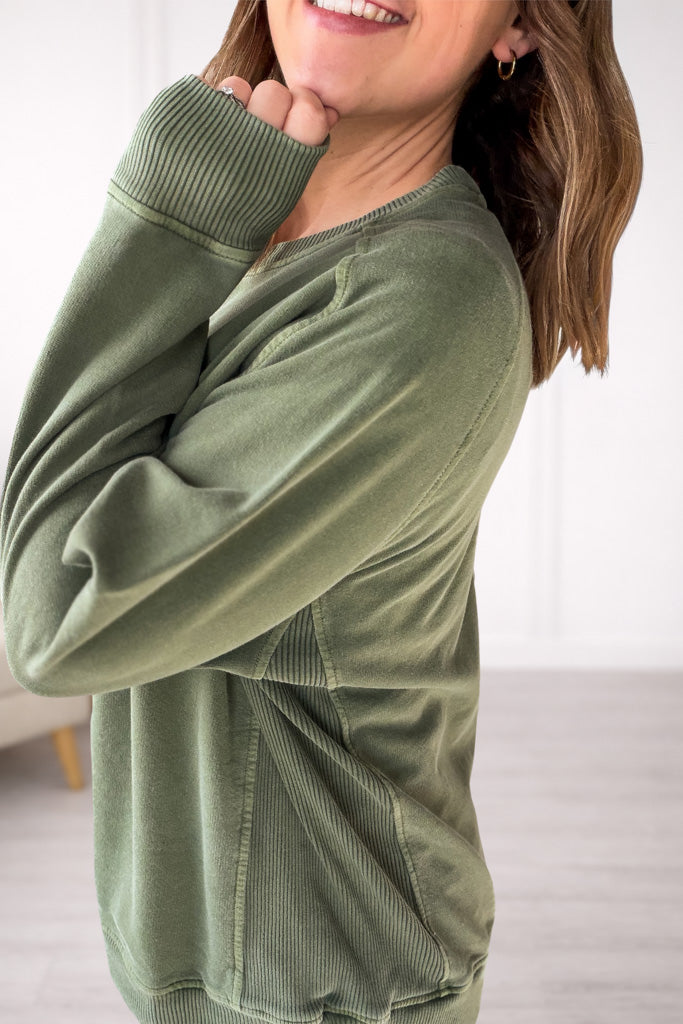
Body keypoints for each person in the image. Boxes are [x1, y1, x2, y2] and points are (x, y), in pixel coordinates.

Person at [0, 1, 641, 1022]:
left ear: (514, 28)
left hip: (319, 978)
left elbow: (56, 615)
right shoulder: (265, 230)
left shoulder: (417, 302)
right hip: (230, 955)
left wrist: (158, 228)